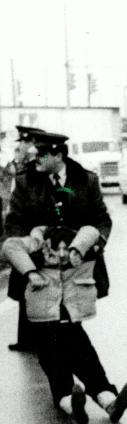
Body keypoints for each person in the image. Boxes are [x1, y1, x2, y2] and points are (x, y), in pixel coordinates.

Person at [2, 130, 127, 424]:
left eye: (42, 154)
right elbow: (13, 225)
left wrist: (89, 247)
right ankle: (98, 397)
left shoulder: (86, 180)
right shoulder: (24, 183)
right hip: (37, 274)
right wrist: (27, 258)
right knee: (54, 336)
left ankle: (81, 398)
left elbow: (102, 220)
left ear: (58, 156)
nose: (36, 158)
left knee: (66, 333)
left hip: (76, 274)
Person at [4, 126, 43, 353]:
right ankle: (26, 338)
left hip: (29, 237)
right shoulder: (20, 173)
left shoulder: (29, 176)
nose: (18, 151)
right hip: (22, 235)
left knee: (29, 287)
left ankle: (32, 338)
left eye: (22, 147)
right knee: (23, 289)